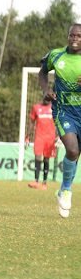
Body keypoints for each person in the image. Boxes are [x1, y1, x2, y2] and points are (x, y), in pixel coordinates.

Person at [38, 23, 81, 218]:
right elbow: (42, 71)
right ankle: (66, 190)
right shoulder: (56, 55)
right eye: (72, 35)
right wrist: (46, 91)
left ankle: (63, 189)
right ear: (67, 36)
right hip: (63, 111)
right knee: (72, 149)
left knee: (76, 154)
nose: (74, 39)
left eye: (79, 36)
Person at [24, 98, 58, 190]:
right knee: (37, 157)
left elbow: (58, 121)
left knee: (46, 160)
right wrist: (27, 136)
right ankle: (36, 181)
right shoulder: (36, 107)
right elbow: (31, 122)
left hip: (50, 138)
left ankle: (44, 183)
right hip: (39, 137)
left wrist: (59, 136)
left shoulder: (54, 107)